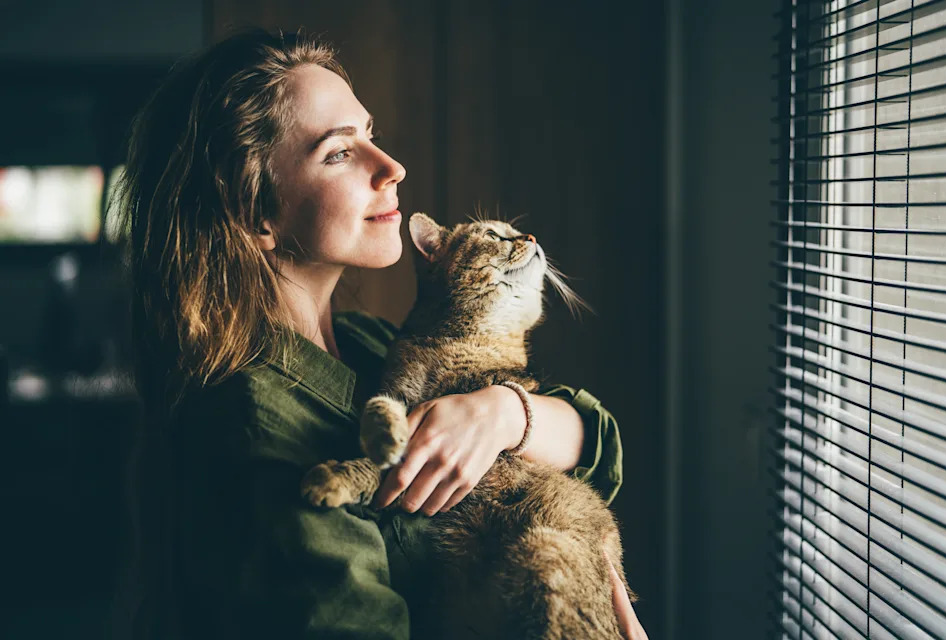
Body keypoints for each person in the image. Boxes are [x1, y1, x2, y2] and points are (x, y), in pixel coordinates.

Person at [116, 28, 647, 640]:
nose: (391, 168)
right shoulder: (254, 422)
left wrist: (505, 414)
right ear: (256, 210)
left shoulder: (370, 344)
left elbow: (600, 450)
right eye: (339, 152)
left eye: (371, 135)